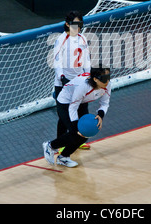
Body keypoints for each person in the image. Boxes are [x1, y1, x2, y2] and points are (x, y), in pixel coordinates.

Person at [43, 66, 111, 168]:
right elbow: (73, 107)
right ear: (95, 79)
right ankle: (50, 146)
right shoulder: (83, 86)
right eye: (104, 78)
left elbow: (105, 103)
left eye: (108, 77)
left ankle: (64, 157)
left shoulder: (107, 85)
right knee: (75, 133)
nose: (107, 81)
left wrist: (100, 115)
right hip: (66, 102)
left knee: (85, 134)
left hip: (82, 102)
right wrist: (75, 126)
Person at [53, 11, 91, 148]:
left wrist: (88, 76)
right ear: (67, 24)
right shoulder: (61, 40)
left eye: (80, 25)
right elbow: (57, 62)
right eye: (75, 24)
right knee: (64, 116)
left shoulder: (83, 39)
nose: (78, 28)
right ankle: (60, 143)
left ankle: (78, 140)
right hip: (64, 83)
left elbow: (86, 60)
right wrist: (62, 78)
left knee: (82, 111)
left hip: (79, 82)